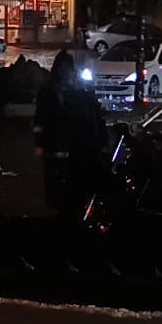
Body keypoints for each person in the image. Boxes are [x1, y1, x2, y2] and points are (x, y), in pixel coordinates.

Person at [35, 50, 107, 220]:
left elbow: (95, 121)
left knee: (77, 193)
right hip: (57, 151)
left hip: (79, 152)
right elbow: (40, 121)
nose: (65, 72)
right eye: (63, 68)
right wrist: (41, 145)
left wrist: (101, 147)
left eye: (68, 68)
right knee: (59, 195)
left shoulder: (82, 93)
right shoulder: (48, 92)